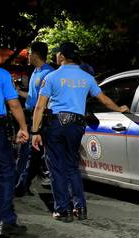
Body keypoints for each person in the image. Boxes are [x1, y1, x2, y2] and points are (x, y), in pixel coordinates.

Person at [31, 42, 129, 222]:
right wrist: (119, 109)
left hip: (56, 124)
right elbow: (104, 99)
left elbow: (39, 107)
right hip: (77, 125)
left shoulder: (52, 77)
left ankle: (63, 210)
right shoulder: (87, 78)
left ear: (62, 56)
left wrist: (34, 131)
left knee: (56, 168)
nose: (56, 56)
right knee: (72, 167)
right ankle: (80, 207)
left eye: (58, 53)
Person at [0, 63, 29, 238]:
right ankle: (4, 221)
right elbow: (14, 105)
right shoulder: (1, 74)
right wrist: (23, 127)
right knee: (6, 174)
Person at [15, 42, 54, 197]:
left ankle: (21, 185)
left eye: (29, 53)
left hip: (41, 118)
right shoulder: (35, 72)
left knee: (33, 153)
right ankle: (22, 183)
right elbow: (32, 97)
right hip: (30, 115)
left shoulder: (48, 73)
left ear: (36, 55)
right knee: (27, 152)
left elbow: (45, 100)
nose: (27, 56)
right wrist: (17, 91)